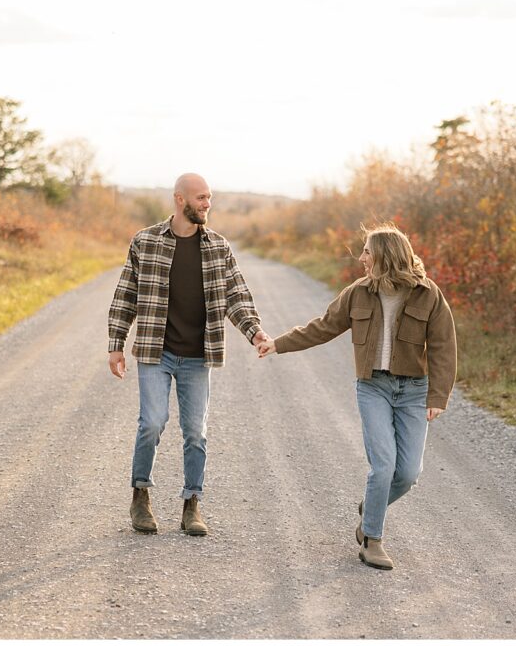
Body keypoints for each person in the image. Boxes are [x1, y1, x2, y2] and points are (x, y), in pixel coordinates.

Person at [257, 223, 456, 570]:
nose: (361, 257)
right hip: (373, 387)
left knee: (408, 473)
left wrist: (438, 395)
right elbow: (324, 325)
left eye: (367, 250)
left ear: (385, 255)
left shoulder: (428, 294)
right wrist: (279, 343)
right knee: (383, 466)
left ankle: (370, 509)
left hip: (413, 391)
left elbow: (443, 347)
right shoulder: (358, 292)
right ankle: (372, 541)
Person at [107, 173, 269, 536]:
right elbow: (125, 295)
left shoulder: (218, 247)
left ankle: (191, 504)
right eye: (200, 198)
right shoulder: (145, 242)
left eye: (209, 197)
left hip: (198, 355)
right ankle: (141, 496)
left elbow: (236, 296)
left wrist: (254, 331)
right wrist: (115, 344)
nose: (207, 204)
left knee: (196, 432)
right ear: (180, 200)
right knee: (152, 422)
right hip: (155, 351)